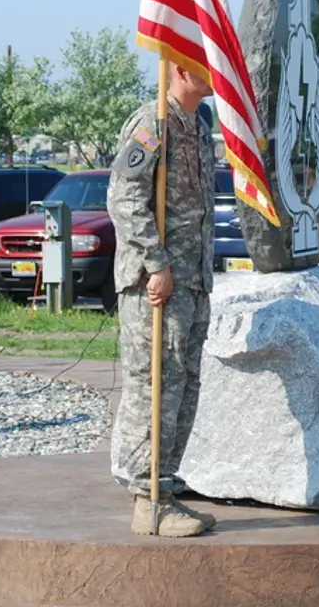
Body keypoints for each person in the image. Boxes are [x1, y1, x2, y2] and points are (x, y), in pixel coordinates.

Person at [107, 64, 217, 538]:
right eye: (203, 59)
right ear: (177, 65)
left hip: (193, 281)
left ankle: (165, 488)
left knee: (182, 386)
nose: (213, 70)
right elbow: (124, 195)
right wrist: (156, 261)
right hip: (160, 282)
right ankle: (146, 498)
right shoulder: (153, 122)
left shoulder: (200, 124)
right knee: (154, 385)